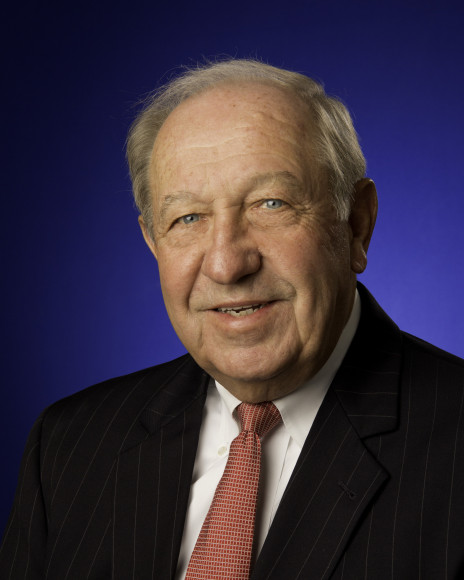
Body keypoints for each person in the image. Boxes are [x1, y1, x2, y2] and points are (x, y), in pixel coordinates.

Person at [1, 59, 463, 579]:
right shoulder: (68, 447)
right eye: (188, 218)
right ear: (153, 242)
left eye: (271, 203)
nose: (226, 264)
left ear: (356, 225)